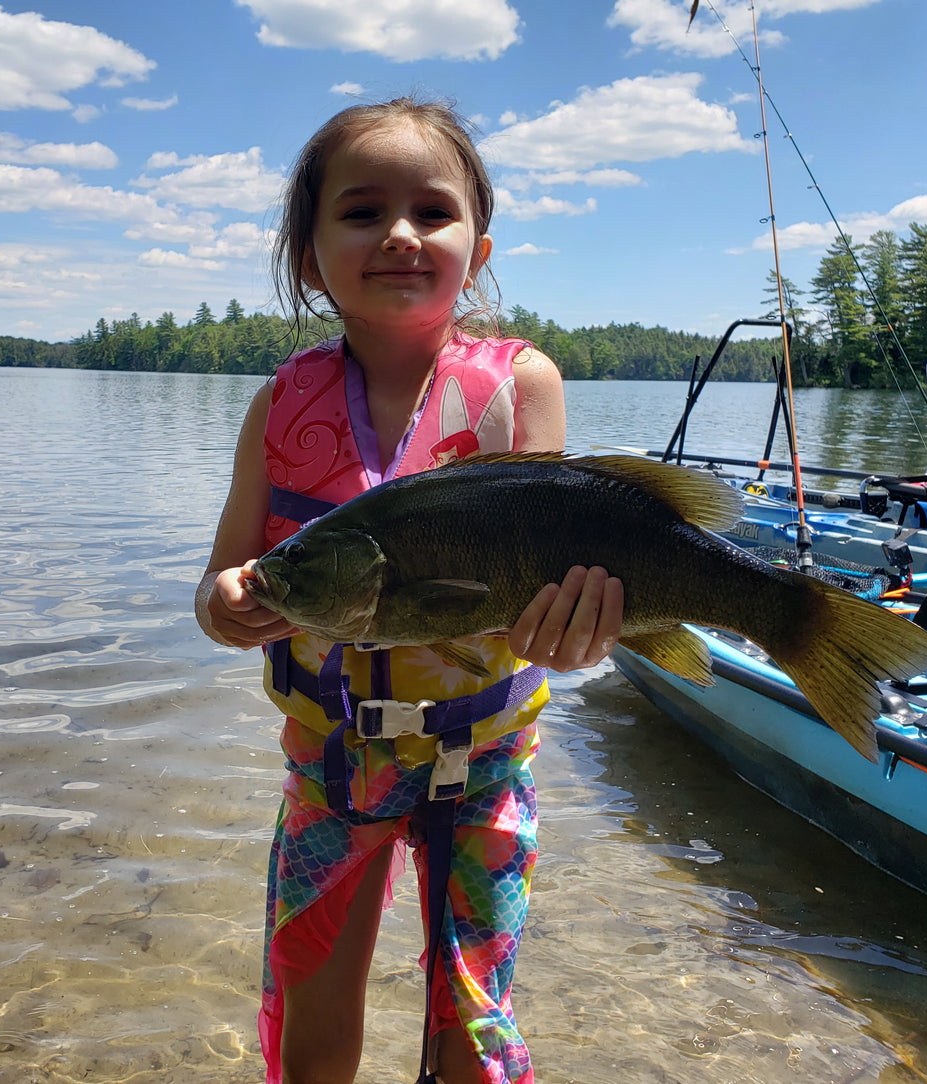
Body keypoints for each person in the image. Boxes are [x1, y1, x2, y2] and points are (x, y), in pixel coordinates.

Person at [196, 96, 624, 1084]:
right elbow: (219, 580)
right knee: (311, 999)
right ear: (308, 256)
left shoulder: (524, 386)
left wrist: (573, 634)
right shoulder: (277, 403)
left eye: (432, 212)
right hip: (330, 770)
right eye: (359, 212)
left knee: (473, 1025)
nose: (398, 233)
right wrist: (224, 603)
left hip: (481, 769)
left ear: (475, 251)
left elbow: (549, 575)